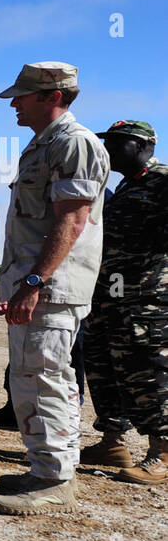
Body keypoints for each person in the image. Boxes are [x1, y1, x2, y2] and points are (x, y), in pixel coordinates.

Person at [0, 62, 109, 515]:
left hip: (53, 289)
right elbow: (29, 227)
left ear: (52, 96)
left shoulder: (75, 143)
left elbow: (72, 219)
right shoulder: (42, 146)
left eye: (22, 96)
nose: (14, 104)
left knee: (48, 378)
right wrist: (10, 282)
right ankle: (43, 469)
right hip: (34, 286)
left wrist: (35, 281)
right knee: (29, 378)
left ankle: (57, 481)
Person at [81, 120, 167, 484]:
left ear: (143, 144)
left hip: (145, 300)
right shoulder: (126, 184)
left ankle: (162, 452)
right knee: (105, 368)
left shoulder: (162, 180)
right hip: (111, 297)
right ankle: (113, 441)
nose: (109, 150)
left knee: (146, 371)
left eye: (117, 143)